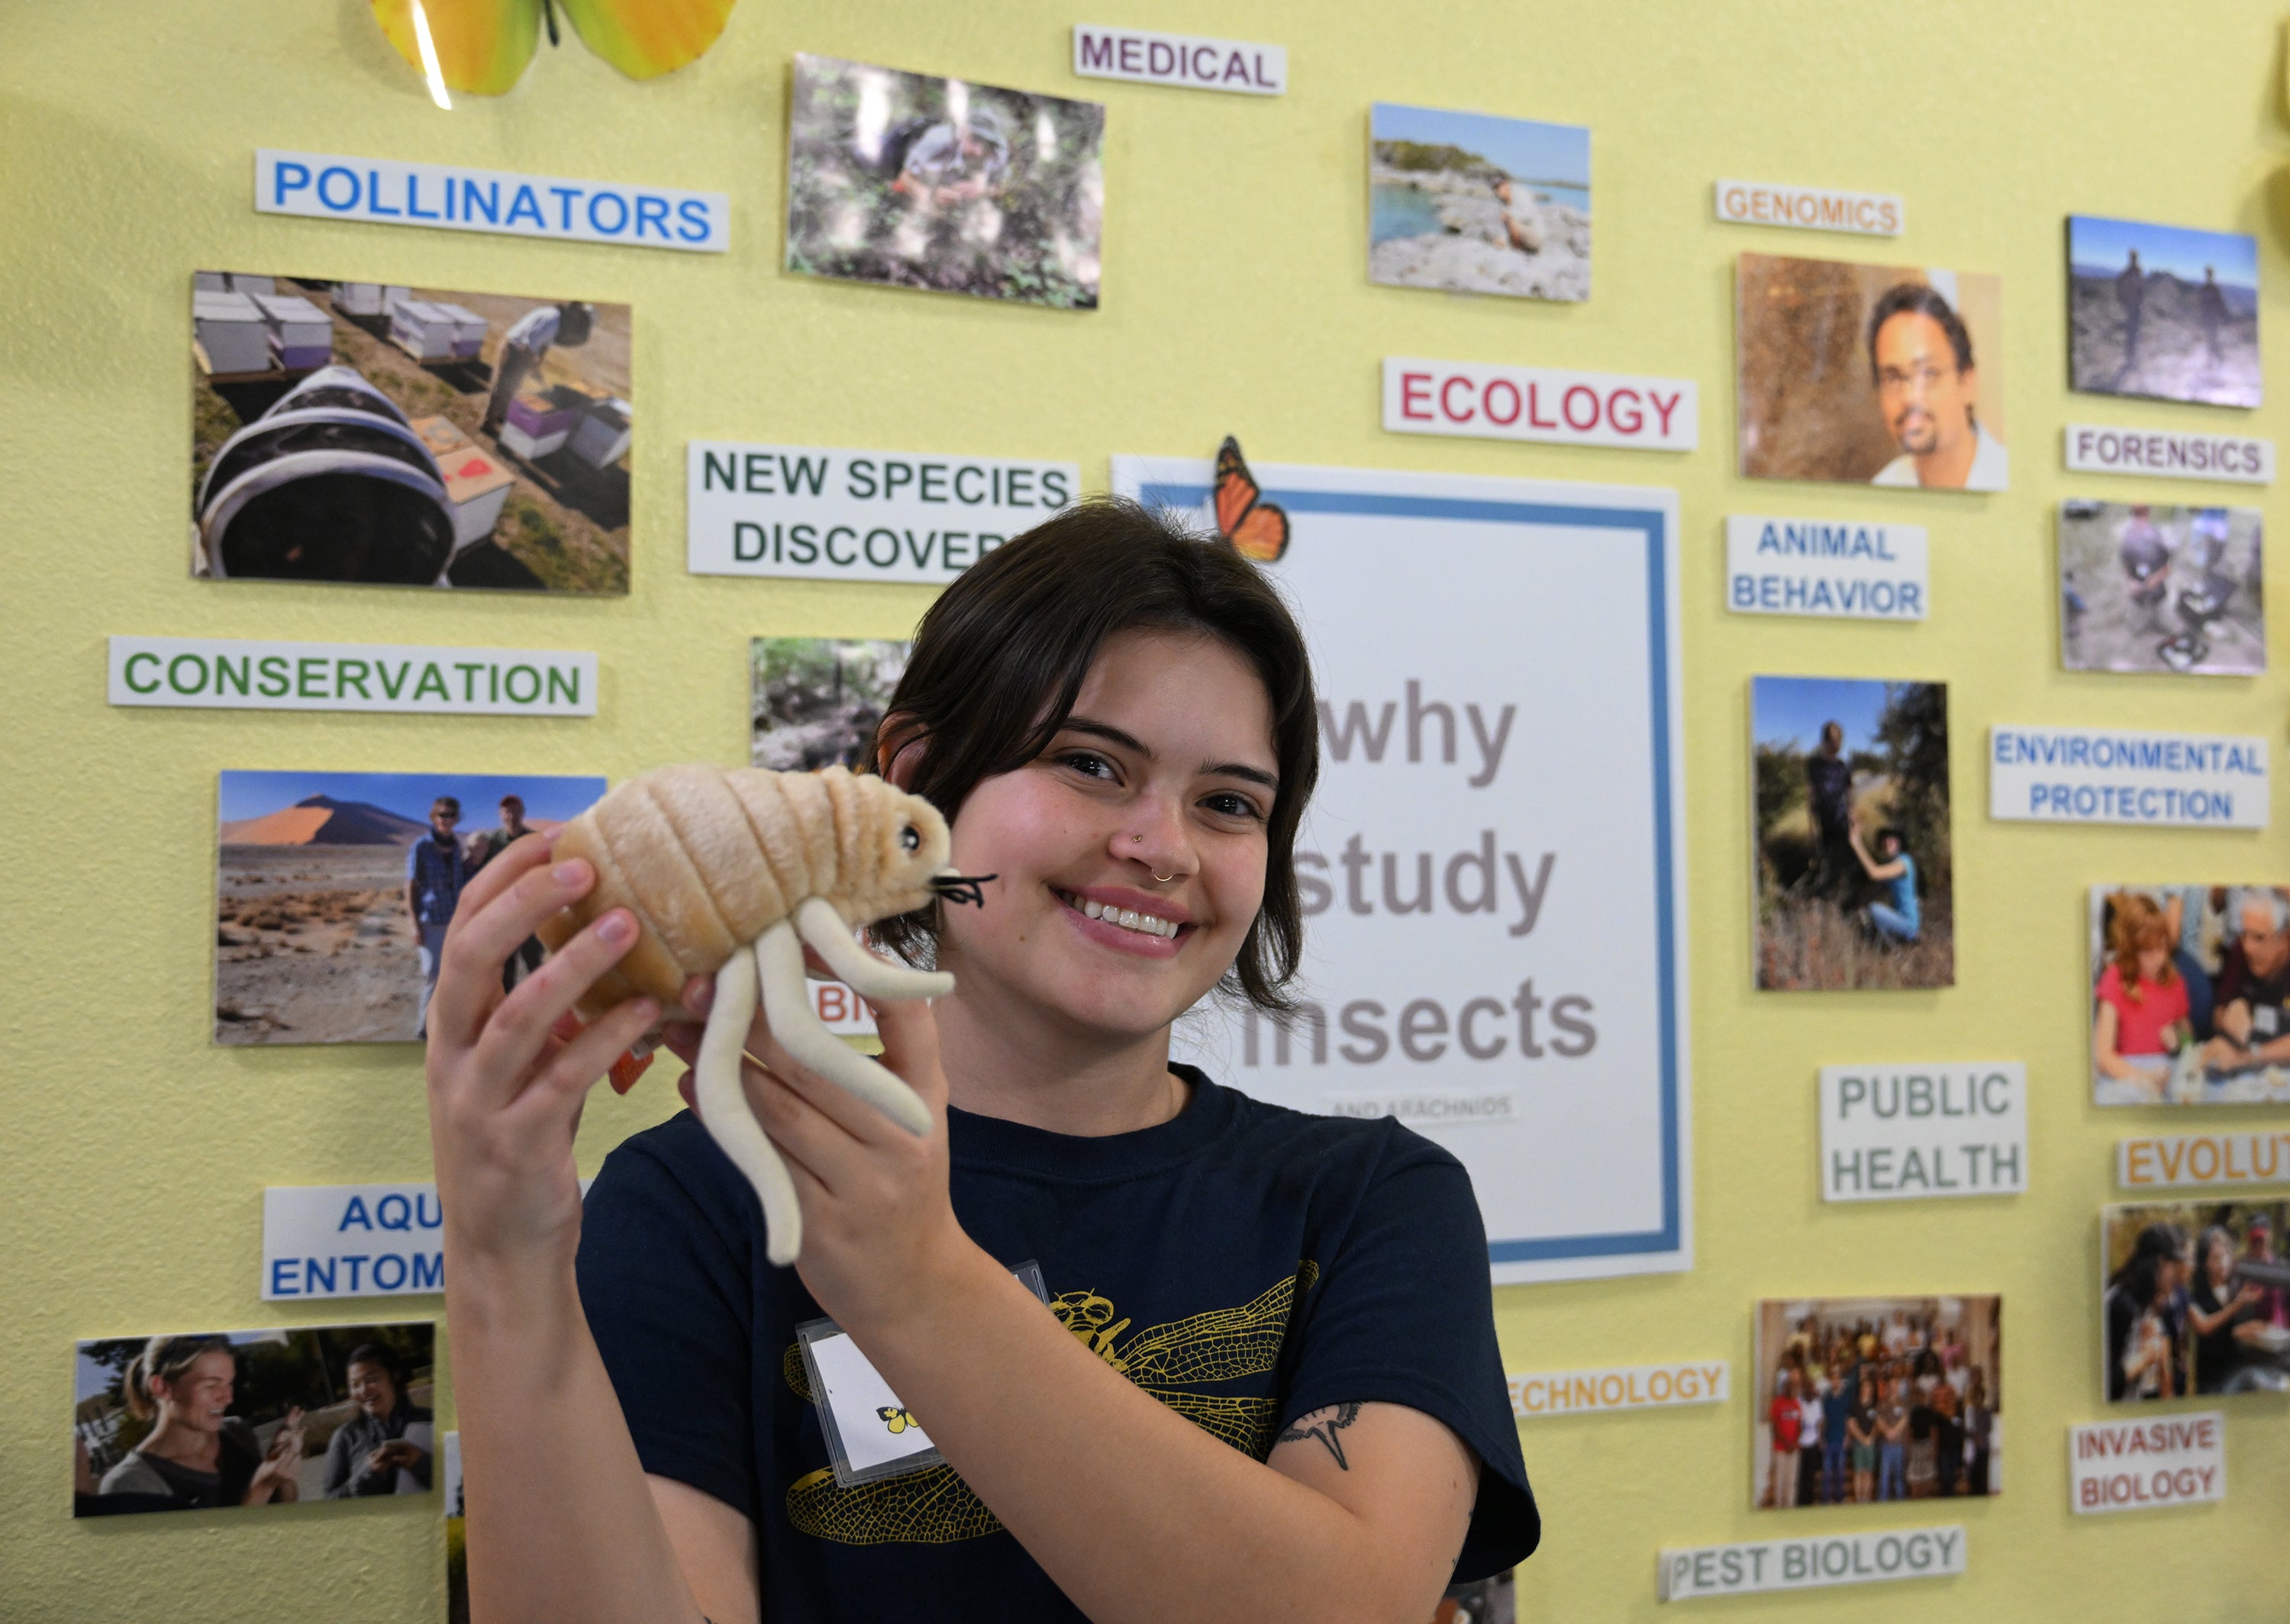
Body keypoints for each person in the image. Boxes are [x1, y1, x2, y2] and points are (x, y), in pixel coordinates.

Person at [424, 501, 1539, 1623]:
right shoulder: (706, 1197)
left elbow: (1347, 1606)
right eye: (1093, 764)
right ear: (920, 770)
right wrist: (501, 1265)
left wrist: (911, 1280)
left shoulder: (1369, 1202)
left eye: (1230, 803)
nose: (1162, 847)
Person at [95, 1336, 305, 1511]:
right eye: (211, 1386)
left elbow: (285, 1506)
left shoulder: (236, 1432)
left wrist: (281, 1470)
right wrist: (260, 1489)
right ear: (162, 1387)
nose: (227, 1398)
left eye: (229, 1384)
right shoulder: (129, 1483)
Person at [1866, 282, 2008, 491]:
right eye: (1893, 378)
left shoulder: (2012, 484)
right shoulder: (1880, 496)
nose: (1909, 397)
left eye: (1927, 373)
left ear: (1967, 383)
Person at [2094, 893, 2191, 1094]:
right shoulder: (2115, 979)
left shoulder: (2174, 981)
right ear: (2130, 950)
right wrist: (2143, 1079)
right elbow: (2103, 1056)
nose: (2158, 959)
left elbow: (2189, 1037)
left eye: (2162, 948)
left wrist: (2178, 1040)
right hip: (2126, 1081)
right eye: (2148, 952)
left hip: (2165, 1081)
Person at [321, 1343, 434, 1497]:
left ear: (395, 1375)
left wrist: (421, 1463)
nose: (363, 1391)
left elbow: (461, 1485)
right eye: (355, 1385)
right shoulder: (345, 1437)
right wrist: (365, 1476)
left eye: (371, 1379)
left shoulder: (430, 1421)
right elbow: (329, 1502)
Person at [2204, 889, 2290, 1074]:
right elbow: (2218, 1014)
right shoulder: (2239, 953)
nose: (2248, 947)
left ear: (2285, 940)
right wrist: (2227, 1018)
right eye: (2244, 935)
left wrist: (2248, 1057)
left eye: (2259, 938)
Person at [2187, 1226, 2279, 1395]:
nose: (2222, 1264)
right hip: (2210, 1380)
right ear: (2205, 1262)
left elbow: (2235, 1331)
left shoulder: (2236, 1288)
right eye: (2216, 1258)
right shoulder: (2194, 1296)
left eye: (2226, 1257)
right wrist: (2238, 1304)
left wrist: (2253, 1326)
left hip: (2237, 1373)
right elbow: (2204, 1327)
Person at [480, 301, 593, 435]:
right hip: (513, 348)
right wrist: (532, 368)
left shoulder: (560, 321)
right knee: (504, 386)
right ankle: (487, 422)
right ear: (576, 316)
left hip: (521, 349)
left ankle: (501, 415)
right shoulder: (553, 321)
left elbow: (544, 345)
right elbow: (528, 347)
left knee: (514, 385)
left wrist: (537, 365)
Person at [2105, 1223, 2189, 1402]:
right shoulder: (2120, 1304)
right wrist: (2144, 1357)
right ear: (2159, 1263)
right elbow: (2104, 1381)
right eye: (2173, 1266)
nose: (2178, 1274)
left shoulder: (2145, 1306)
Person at [469, 795, 546, 993]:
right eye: (507, 811)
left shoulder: (535, 839)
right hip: (503, 915)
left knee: (536, 964)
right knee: (505, 968)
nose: (512, 816)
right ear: (501, 814)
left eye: (516, 811)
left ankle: (541, 1012)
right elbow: (475, 868)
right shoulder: (492, 841)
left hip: (530, 914)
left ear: (523, 813)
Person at [408, 796, 468, 1039]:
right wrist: (414, 924)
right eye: (442, 815)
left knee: (453, 977)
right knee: (433, 976)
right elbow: (411, 885)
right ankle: (423, 1031)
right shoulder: (421, 847)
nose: (447, 819)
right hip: (431, 921)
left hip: (455, 922)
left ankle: (445, 1028)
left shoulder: (456, 847)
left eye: (451, 815)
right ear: (434, 817)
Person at [1801, 723, 1853, 898]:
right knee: (1824, 861)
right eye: (1834, 741)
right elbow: (1811, 795)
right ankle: (1825, 895)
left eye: (1839, 741)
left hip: (1842, 821)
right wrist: (1812, 827)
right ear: (1825, 741)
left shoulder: (1842, 766)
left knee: (1843, 861)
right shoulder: (1814, 765)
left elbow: (1849, 792)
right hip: (1824, 822)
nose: (1838, 745)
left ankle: (1841, 894)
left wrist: (1852, 815)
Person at [1847, 824, 1917, 945]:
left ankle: (1891, 949)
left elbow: (1874, 873)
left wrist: (1856, 844)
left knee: (1874, 909)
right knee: (1866, 914)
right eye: (1885, 839)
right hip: (1900, 922)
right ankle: (1887, 948)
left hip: (1908, 925)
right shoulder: (1893, 864)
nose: (1887, 842)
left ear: (1900, 843)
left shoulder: (1904, 862)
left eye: (1892, 839)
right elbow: (1874, 887)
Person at [1766, 1370, 1801, 1507]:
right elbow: (1774, 1427)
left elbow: (1799, 1425)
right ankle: (1778, 1507)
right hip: (1781, 1448)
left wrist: (1794, 1443)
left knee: (1791, 1481)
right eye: (1791, 1387)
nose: (1794, 1390)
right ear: (1785, 1388)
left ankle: (1789, 1507)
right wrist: (1787, 1443)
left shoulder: (1797, 1403)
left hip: (1794, 1449)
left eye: (1795, 1388)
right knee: (1780, 1481)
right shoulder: (1777, 1403)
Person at [1819, 1362, 1853, 1506]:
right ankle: (1826, 1499)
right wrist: (1821, 1438)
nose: (1836, 1381)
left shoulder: (1845, 1399)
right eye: (1833, 1379)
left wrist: (1848, 1436)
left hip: (1841, 1438)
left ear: (1841, 1381)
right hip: (1828, 1438)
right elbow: (1823, 1419)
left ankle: (1839, 1498)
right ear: (1830, 1381)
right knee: (1827, 1472)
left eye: (1838, 1379)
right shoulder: (1826, 1398)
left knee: (1840, 1471)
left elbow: (1847, 1419)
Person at [1875, 1378, 1908, 1501]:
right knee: (1884, 1474)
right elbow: (1878, 1419)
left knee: (1899, 1474)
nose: (1894, 1388)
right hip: (1886, 1444)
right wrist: (1887, 1431)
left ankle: (1900, 1500)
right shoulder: (1883, 1403)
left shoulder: (1902, 1403)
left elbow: (1905, 1419)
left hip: (1898, 1444)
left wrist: (1895, 1431)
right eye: (1891, 1385)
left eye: (1896, 1385)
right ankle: (1882, 1500)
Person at [1846, 1378, 1878, 1505]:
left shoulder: (1874, 1405)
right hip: (1859, 1443)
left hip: (1870, 1442)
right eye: (1865, 1387)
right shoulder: (1855, 1405)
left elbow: (1877, 1424)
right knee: (1859, 1471)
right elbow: (1851, 1424)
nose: (1867, 1389)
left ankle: (1867, 1499)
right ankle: (1859, 1499)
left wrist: (1870, 1438)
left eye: (1869, 1387)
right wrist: (1862, 1438)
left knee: (1868, 1472)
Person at [1962, 1369, 1993, 1497]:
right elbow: (1967, 1430)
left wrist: (1980, 1436)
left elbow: (1989, 1427)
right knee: (1973, 1477)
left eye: (1980, 1396)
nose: (1978, 1398)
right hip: (1972, 1448)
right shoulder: (1969, 1411)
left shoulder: (1986, 1411)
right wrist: (1974, 1437)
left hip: (1983, 1446)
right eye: (1976, 1396)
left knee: (1983, 1477)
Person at [2116, 248, 2146, 371]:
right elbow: (2140, 287)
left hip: (2132, 305)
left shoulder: (2130, 272)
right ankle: (2131, 359)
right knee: (2132, 332)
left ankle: (2131, 357)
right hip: (2132, 306)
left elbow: (2141, 288)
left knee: (2132, 332)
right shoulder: (2132, 272)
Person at [2198, 266, 2230, 364]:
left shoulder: (2215, 289)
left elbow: (2220, 304)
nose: (2208, 275)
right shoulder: (2204, 289)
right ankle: (2211, 361)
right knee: (2209, 340)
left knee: (2213, 340)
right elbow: (2200, 304)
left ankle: (2220, 359)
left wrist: (2225, 316)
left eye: (2209, 274)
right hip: (2206, 318)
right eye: (2207, 273)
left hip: (2213, 319)